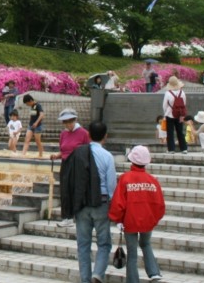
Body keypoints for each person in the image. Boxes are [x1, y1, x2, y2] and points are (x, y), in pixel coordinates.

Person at [59, 121, 116, 283]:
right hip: (101, 203)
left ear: (88, 135)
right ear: (106, 136)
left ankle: (85, 279)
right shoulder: (107, 156)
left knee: (83, 244)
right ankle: (97, 274)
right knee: (104, 243)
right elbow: (112, 185)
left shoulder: (78, 153)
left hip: (81, 204)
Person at [109, 146, 165, 283]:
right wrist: (153, 219)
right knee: (146, 243)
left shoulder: (125, 179)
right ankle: (154, 272)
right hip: (147, 221)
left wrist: (117, 220)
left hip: (129, 221)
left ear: (131, 160)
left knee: (132, 253)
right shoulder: (152, 180)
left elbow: (118, 203)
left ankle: (133, 280)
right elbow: (160, 205)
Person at [50, 108, 90, 228]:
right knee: (65, 191)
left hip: (78, 166)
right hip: (66, 164)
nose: (67, 124)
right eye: (65, 122)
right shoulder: (63, 134)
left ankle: (78, 215)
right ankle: (66, 217)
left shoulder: (84, 133)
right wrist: (56, 155)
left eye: (69, 121)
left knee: (76, 191)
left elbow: (87, 151)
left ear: (74, 120)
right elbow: (64, 150)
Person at [162, 77, 188, 154]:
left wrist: (166, 112)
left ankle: (171, 149)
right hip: (180, 115)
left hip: (170, 115)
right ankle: (184, 148)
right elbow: (184, 104)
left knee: (170, 132)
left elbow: (164, 105)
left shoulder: (168, 93)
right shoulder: (182, 92)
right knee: (180, 131)